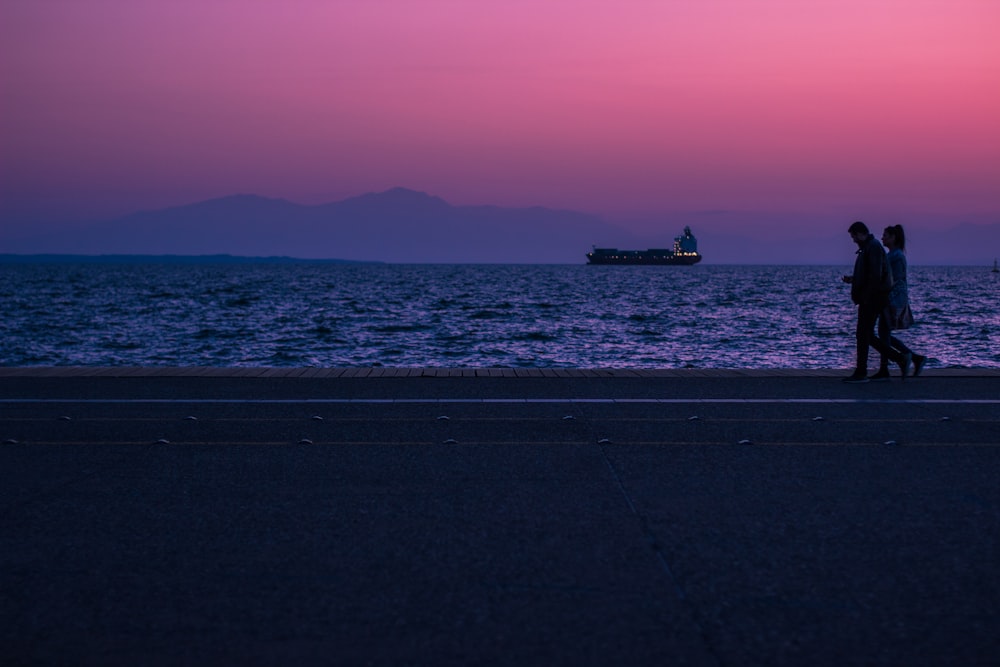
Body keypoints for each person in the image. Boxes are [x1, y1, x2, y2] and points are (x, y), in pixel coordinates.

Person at [841, 221, 894, 383]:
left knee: (863, 334)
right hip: (870, 297)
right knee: (865, 335)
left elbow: (875, 276)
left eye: (854, 236)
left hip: (872, 299)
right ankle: (900, 358)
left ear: (861, 233)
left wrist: (866, 297)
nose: (853, 240)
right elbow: (869, 275)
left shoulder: (873, 247)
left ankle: (862, 371)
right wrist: (854, 280)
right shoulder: (868, 248)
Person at [872, 225, 928, 378]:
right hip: (893, 298)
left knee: (883, 334)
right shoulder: (895, 255)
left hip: (891, 299)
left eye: (885, 235)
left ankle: (899, 362)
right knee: (884, 333)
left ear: (893, 237)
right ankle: (912, 358)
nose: (882, 238)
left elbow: (888, 278)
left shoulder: (894, 256)